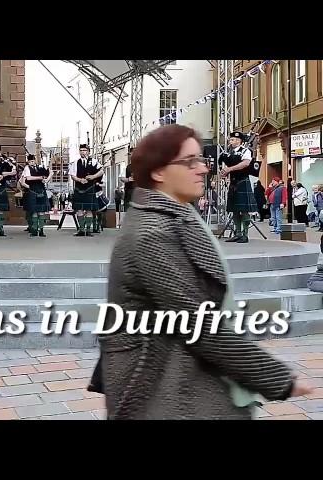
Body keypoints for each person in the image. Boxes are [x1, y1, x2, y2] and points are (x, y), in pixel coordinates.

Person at [91, 124, 312, 419]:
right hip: (160, 383)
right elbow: (198, 324)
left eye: (202, 160)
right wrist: (278, 379)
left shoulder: (176, 214)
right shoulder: (152, 233)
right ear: (158, 172)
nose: (203, 169)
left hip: (181, 372)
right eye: (189, 161)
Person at [219, 131, 257, 243]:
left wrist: (229, 169)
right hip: (233, 183)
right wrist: (224, 173)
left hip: (242, 182)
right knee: (234, 209)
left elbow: (245, 164)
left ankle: (245, 234)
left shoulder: (245, 151)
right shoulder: (228, 153)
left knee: (244, 210)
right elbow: (226, 166)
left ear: (240, 141)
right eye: (231, 139)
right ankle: (238, 233)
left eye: (234, 139)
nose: (232, 141)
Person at [69, 144, 103, 236]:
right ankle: (81, 230)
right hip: (79, 188)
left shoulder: (94, 161)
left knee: (89, 210)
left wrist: (93, 177)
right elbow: (72, 175)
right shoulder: (76, 162)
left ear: (88, 151)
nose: (82, 152)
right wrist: (80, 180)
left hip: (90, 188)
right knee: (79, 209)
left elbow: (101, 171)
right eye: (81, 150)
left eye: (84, 150)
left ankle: (88, 230)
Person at [21, 154, 52, 237]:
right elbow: (28, 178)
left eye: (33, 161)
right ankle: (34, 230)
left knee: (41, 211)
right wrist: (40, 178)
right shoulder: (27, 168)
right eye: (30, 161)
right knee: (34, 211)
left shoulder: (40, 168)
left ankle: (41, 230)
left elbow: (46, 177)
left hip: (41, 190)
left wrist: (48, 177)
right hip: (33, 191)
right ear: (28, 161)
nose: (32, 162)